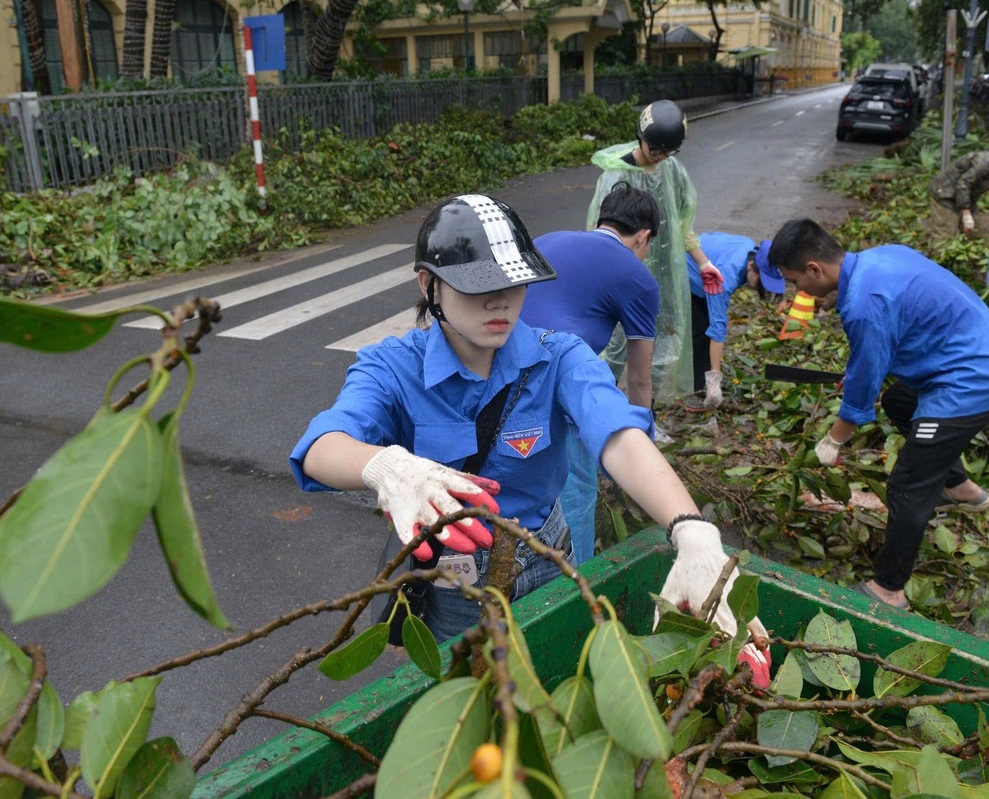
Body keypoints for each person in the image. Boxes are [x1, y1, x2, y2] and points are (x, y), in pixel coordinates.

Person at [289, 194, 770, 684]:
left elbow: (618, 435)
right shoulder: (392, 366)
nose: (501, 301)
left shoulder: (560, 356)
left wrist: (690, 529)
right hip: (456, 581)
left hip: (546, 556)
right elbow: (322, 446)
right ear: (429, 286)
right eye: (480, 286)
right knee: (466, 694)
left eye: (515, 282)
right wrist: (385, 466)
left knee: (556, 682)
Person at [767, 218, 989, 610]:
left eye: (795, 280)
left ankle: (889, 588)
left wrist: (833, 440)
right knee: (899, 402)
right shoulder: (880, 257)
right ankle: (961, 488)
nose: (798, 291)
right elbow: (880, 346)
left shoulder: (865, 305)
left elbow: (863, 387)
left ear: (814, 269)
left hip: (972, 380)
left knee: (908, 484)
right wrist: (859, 372)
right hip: (980, 353)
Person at [521, 181, 662, 562]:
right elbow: (639, 377)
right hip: (550, 386)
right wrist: (643, 443)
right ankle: (574, 590)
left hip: (496, 371)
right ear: (643, 237)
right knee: (576, 489)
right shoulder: (637, 277)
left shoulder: (549, 240)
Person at [586, 100, 723, 423]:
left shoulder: (671, 170)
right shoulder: (616, 175)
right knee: (614, 349)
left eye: (667, 151)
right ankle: (597, 418)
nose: (659, 156)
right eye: (655, 149)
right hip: (620, 277)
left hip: (662, 278)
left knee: (658, 349)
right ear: (640, 137)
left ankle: (645, 418)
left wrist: (703, 263)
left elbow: (682, 223)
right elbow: (600, 233)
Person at [684, 234, 788, 408]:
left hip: (708, 268)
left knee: (706, 328)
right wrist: (715, 379)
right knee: (701, 332)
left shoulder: (751, 249)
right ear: (750, 266)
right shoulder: (726, 275)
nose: (761, 287)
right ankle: (695, 390)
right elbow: (718, 329)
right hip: (687, 271)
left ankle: (703, 382)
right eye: (761, 281)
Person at [928, 140, 989, 235]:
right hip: (945, 194)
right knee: (945, 234)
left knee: (975, 234)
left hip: (967, 198)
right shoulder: (986, 162)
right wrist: (966, 214)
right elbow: (963, 183)